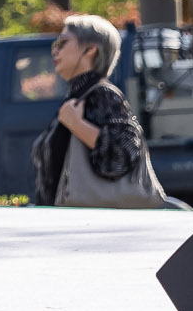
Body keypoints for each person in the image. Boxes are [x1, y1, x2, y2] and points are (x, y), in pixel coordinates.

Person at [31, 15, 153, 206]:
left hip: (91, 224)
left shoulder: (103, 95)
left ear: (90, 49)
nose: (55, 50)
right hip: (71, 220)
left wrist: (78, 125)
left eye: (62, 43)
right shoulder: (76, 98)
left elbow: (123, 154)